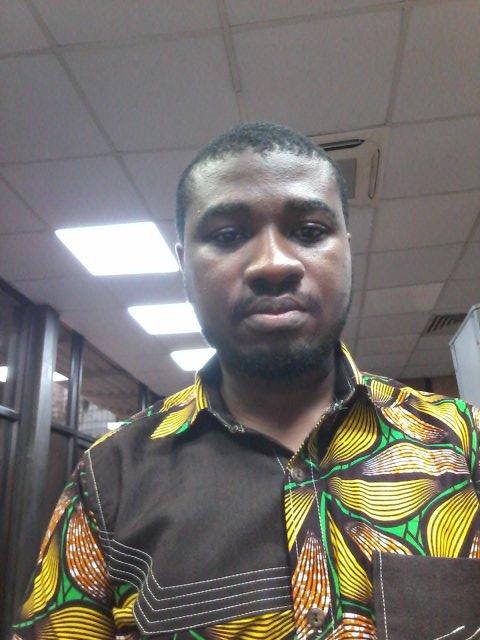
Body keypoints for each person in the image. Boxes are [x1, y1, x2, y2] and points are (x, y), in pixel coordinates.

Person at [12, 122, 480, 640]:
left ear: (347, 249)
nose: (273, 265)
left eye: (309, 231)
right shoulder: (108, 478)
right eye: (228, 236)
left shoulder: (464, 439)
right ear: (183, 263)